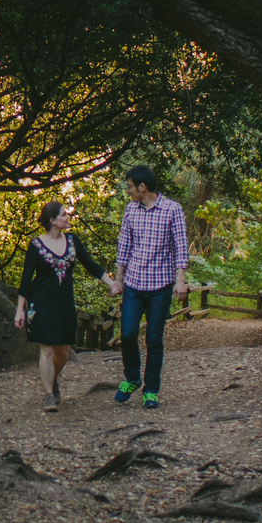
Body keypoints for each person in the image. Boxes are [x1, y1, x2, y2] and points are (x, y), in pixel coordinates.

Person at [106, 164, 190, 408]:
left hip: (160, 286)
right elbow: (124, 247)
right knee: (128, 334)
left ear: (143, 187)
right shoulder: (130, 210)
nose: (128, 190)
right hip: (134, 284)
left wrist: (181, 280)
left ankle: (151, 389)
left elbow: (180, 247)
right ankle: (132, 377)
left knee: (154, 338)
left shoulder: (172, 210)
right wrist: (118, 280)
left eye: (130, 186)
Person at [13, 201, 105, 412]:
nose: (67, 216)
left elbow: (90, 265)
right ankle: (48, 396)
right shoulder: (36, 245)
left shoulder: (72, 241)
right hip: (41, 303)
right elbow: (26, 280)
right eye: (64, 214)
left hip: (64, 304)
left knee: (63, 351)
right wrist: (20, 310)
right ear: (53, 220)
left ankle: (52, 380)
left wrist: (113, 284)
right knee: (46, 349)